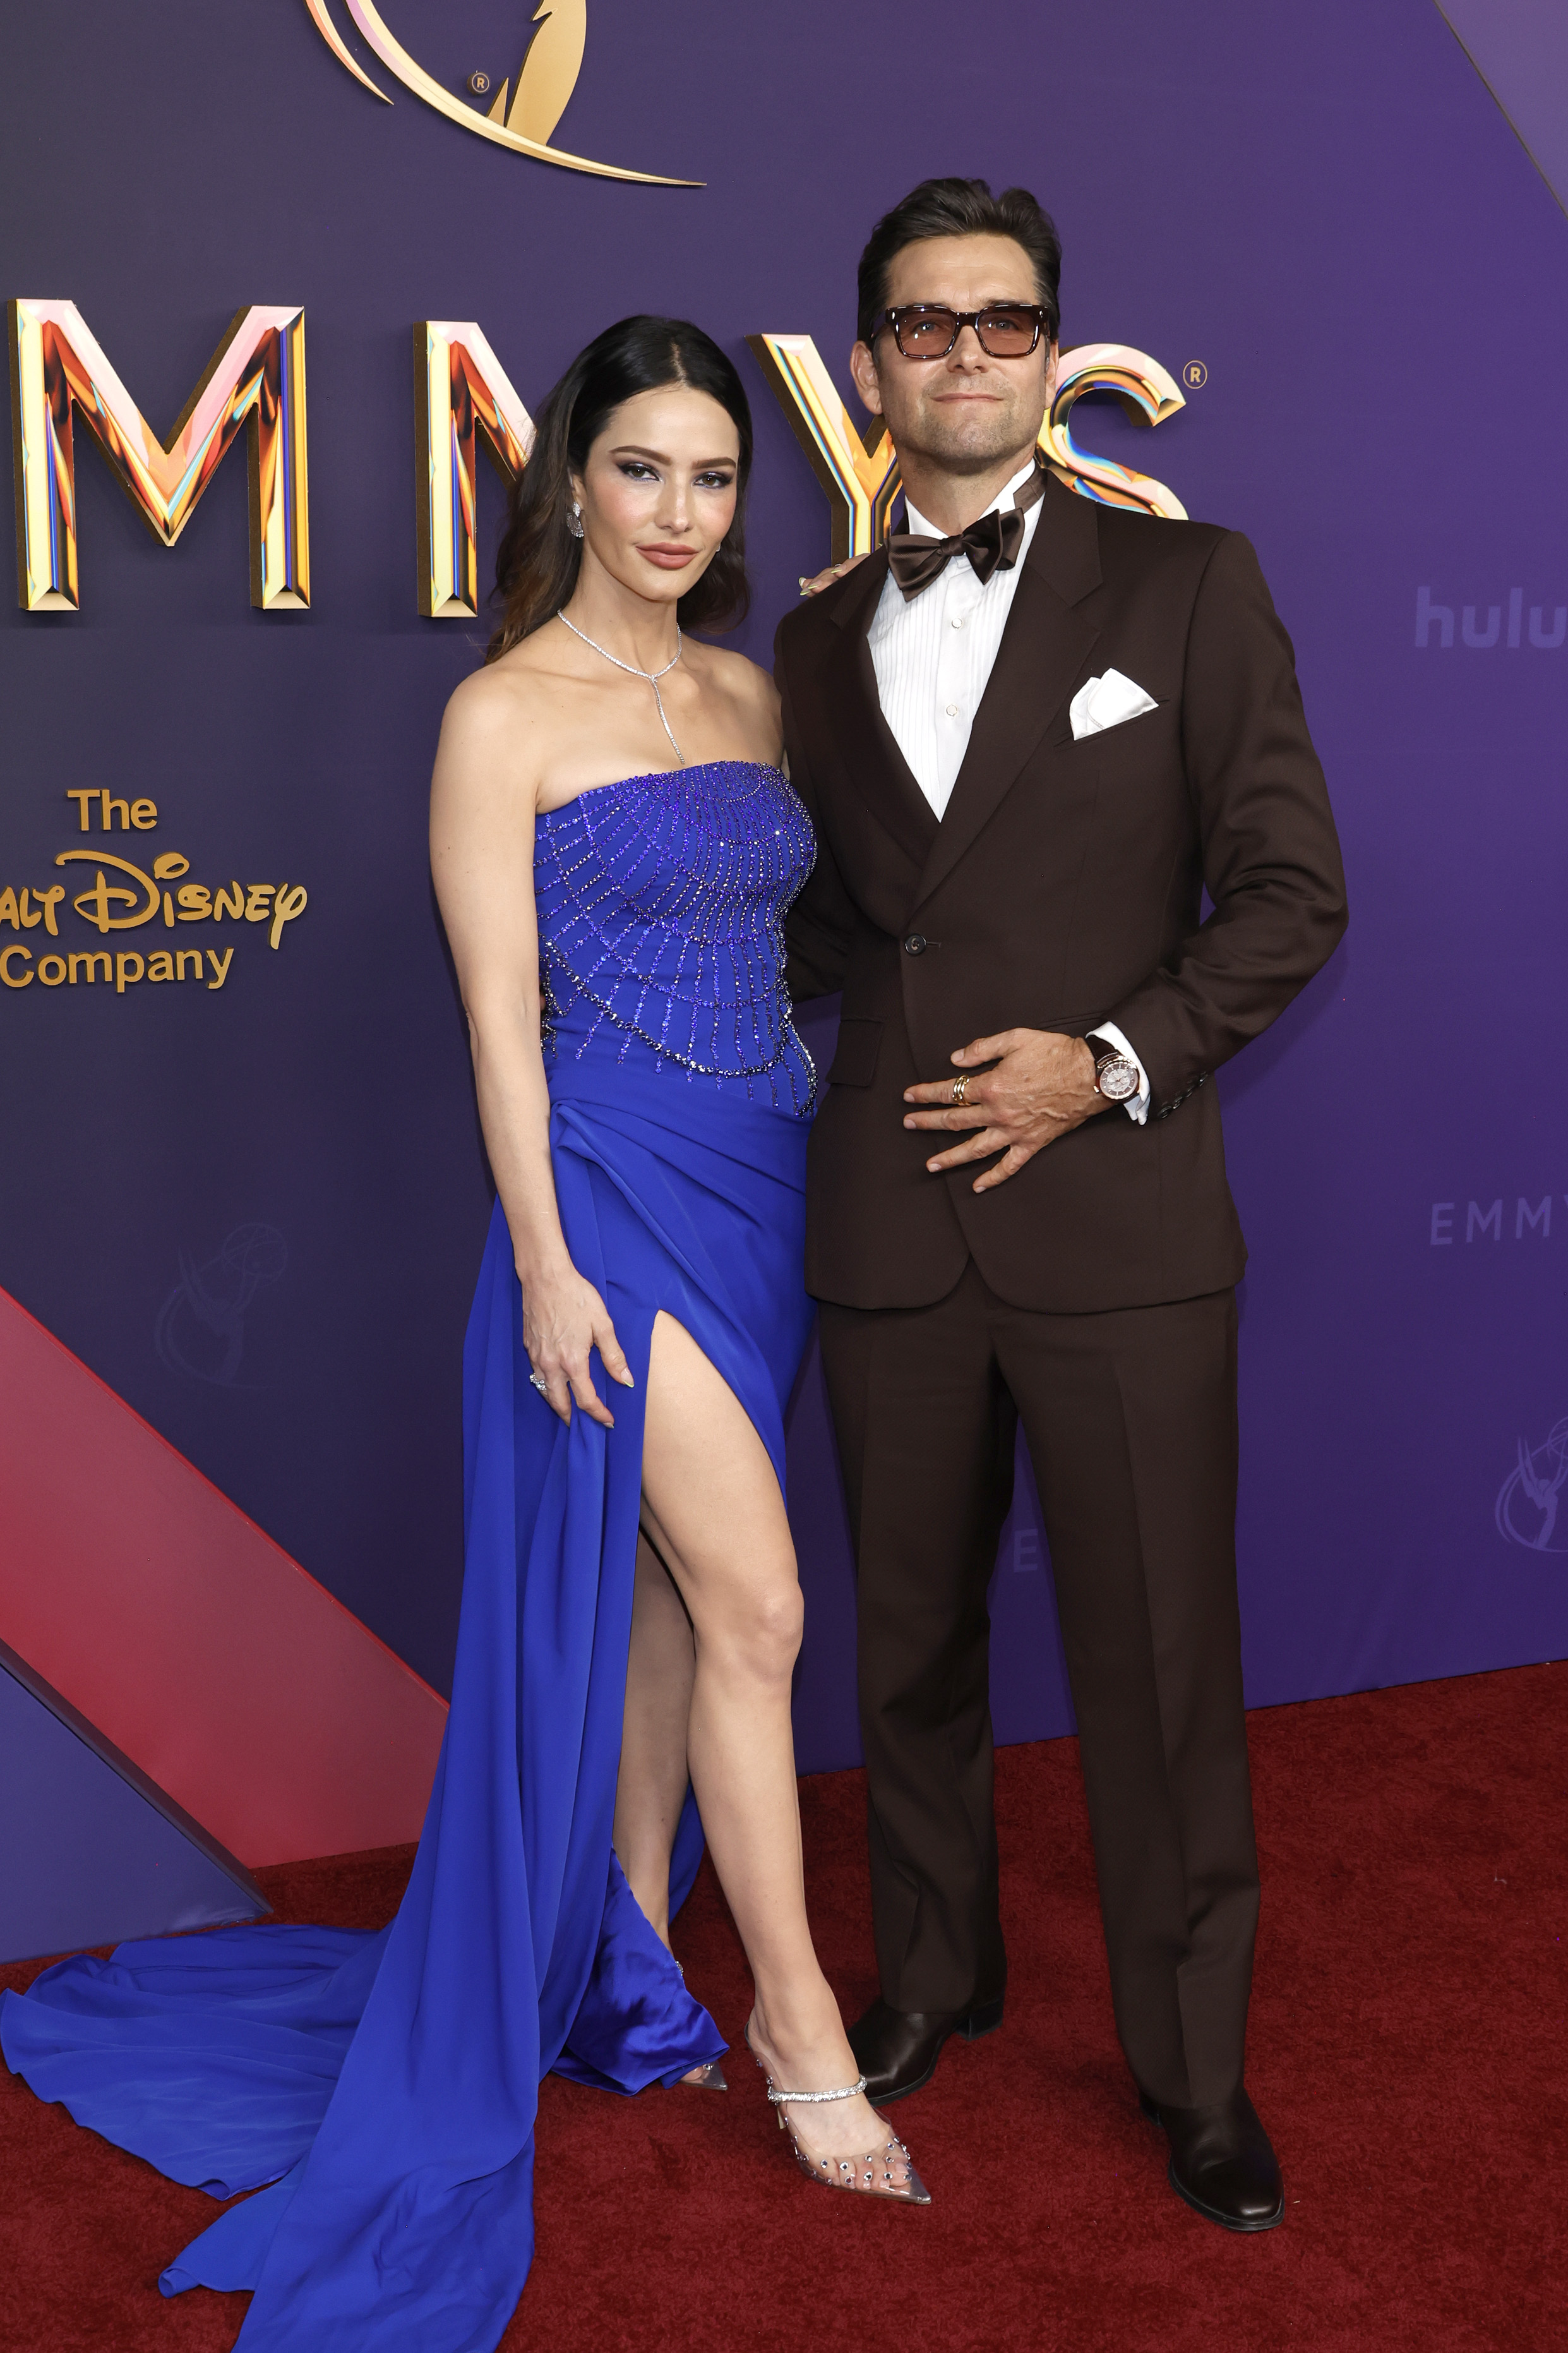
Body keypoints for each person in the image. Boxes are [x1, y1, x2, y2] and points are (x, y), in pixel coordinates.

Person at [0, 315, 925, 2353]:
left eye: (709, 479)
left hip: (759, 1183)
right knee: (762, 1609)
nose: (678, 514)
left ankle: (621, 1975)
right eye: (641, 472)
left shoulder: (752, 695)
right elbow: (496, 1021)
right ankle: (794, 2031)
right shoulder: (501, 716)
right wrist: (549, 1262)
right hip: (602, 1199)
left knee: (673, 1615)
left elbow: (774, 955)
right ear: (570, 484)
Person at [778, 178, 1348, 2233]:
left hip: (1114, 1221)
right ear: (868, 368)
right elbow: (834, 928)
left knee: (1158, 1669)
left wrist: (1100, 1060)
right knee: (906, 1649)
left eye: (1000, 322)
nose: (960, 355)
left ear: (1053, 354)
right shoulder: (814, 637)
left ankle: (1196, 2073)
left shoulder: (1188, 587)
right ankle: (933, 1980)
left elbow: (1292, 896)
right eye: (919, 325)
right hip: (890, 1227)